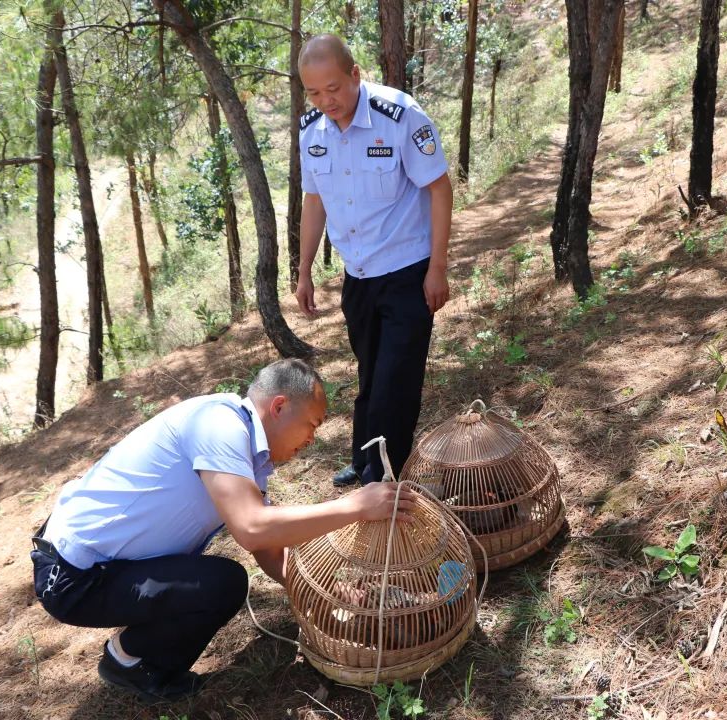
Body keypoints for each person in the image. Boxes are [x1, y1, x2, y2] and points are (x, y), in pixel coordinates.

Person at [29, 359, 414, 702]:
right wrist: (353, 507)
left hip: (94, 564)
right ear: (279, 406)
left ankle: (134, 652)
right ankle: (130, 659)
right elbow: (251, 528)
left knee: (219, 581)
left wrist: (323, 592)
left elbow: (265, 546)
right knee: (221, 583)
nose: (311, 439)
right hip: (72, 575)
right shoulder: (219, 424)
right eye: (311, 425)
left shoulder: (243, 445)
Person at [294, 34, 453, 488]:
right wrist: (304, 270)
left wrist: (437, 267)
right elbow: (314, 201)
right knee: (369, 374)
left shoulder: (399, 116)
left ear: (355, 75)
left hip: (407, 272)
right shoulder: (313, 130)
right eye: (314, 92)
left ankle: (383, 479)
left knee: (395, 383)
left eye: (334, 88)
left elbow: (439, 189)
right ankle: (364, 460)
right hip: (358, 277)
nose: (327, 100)